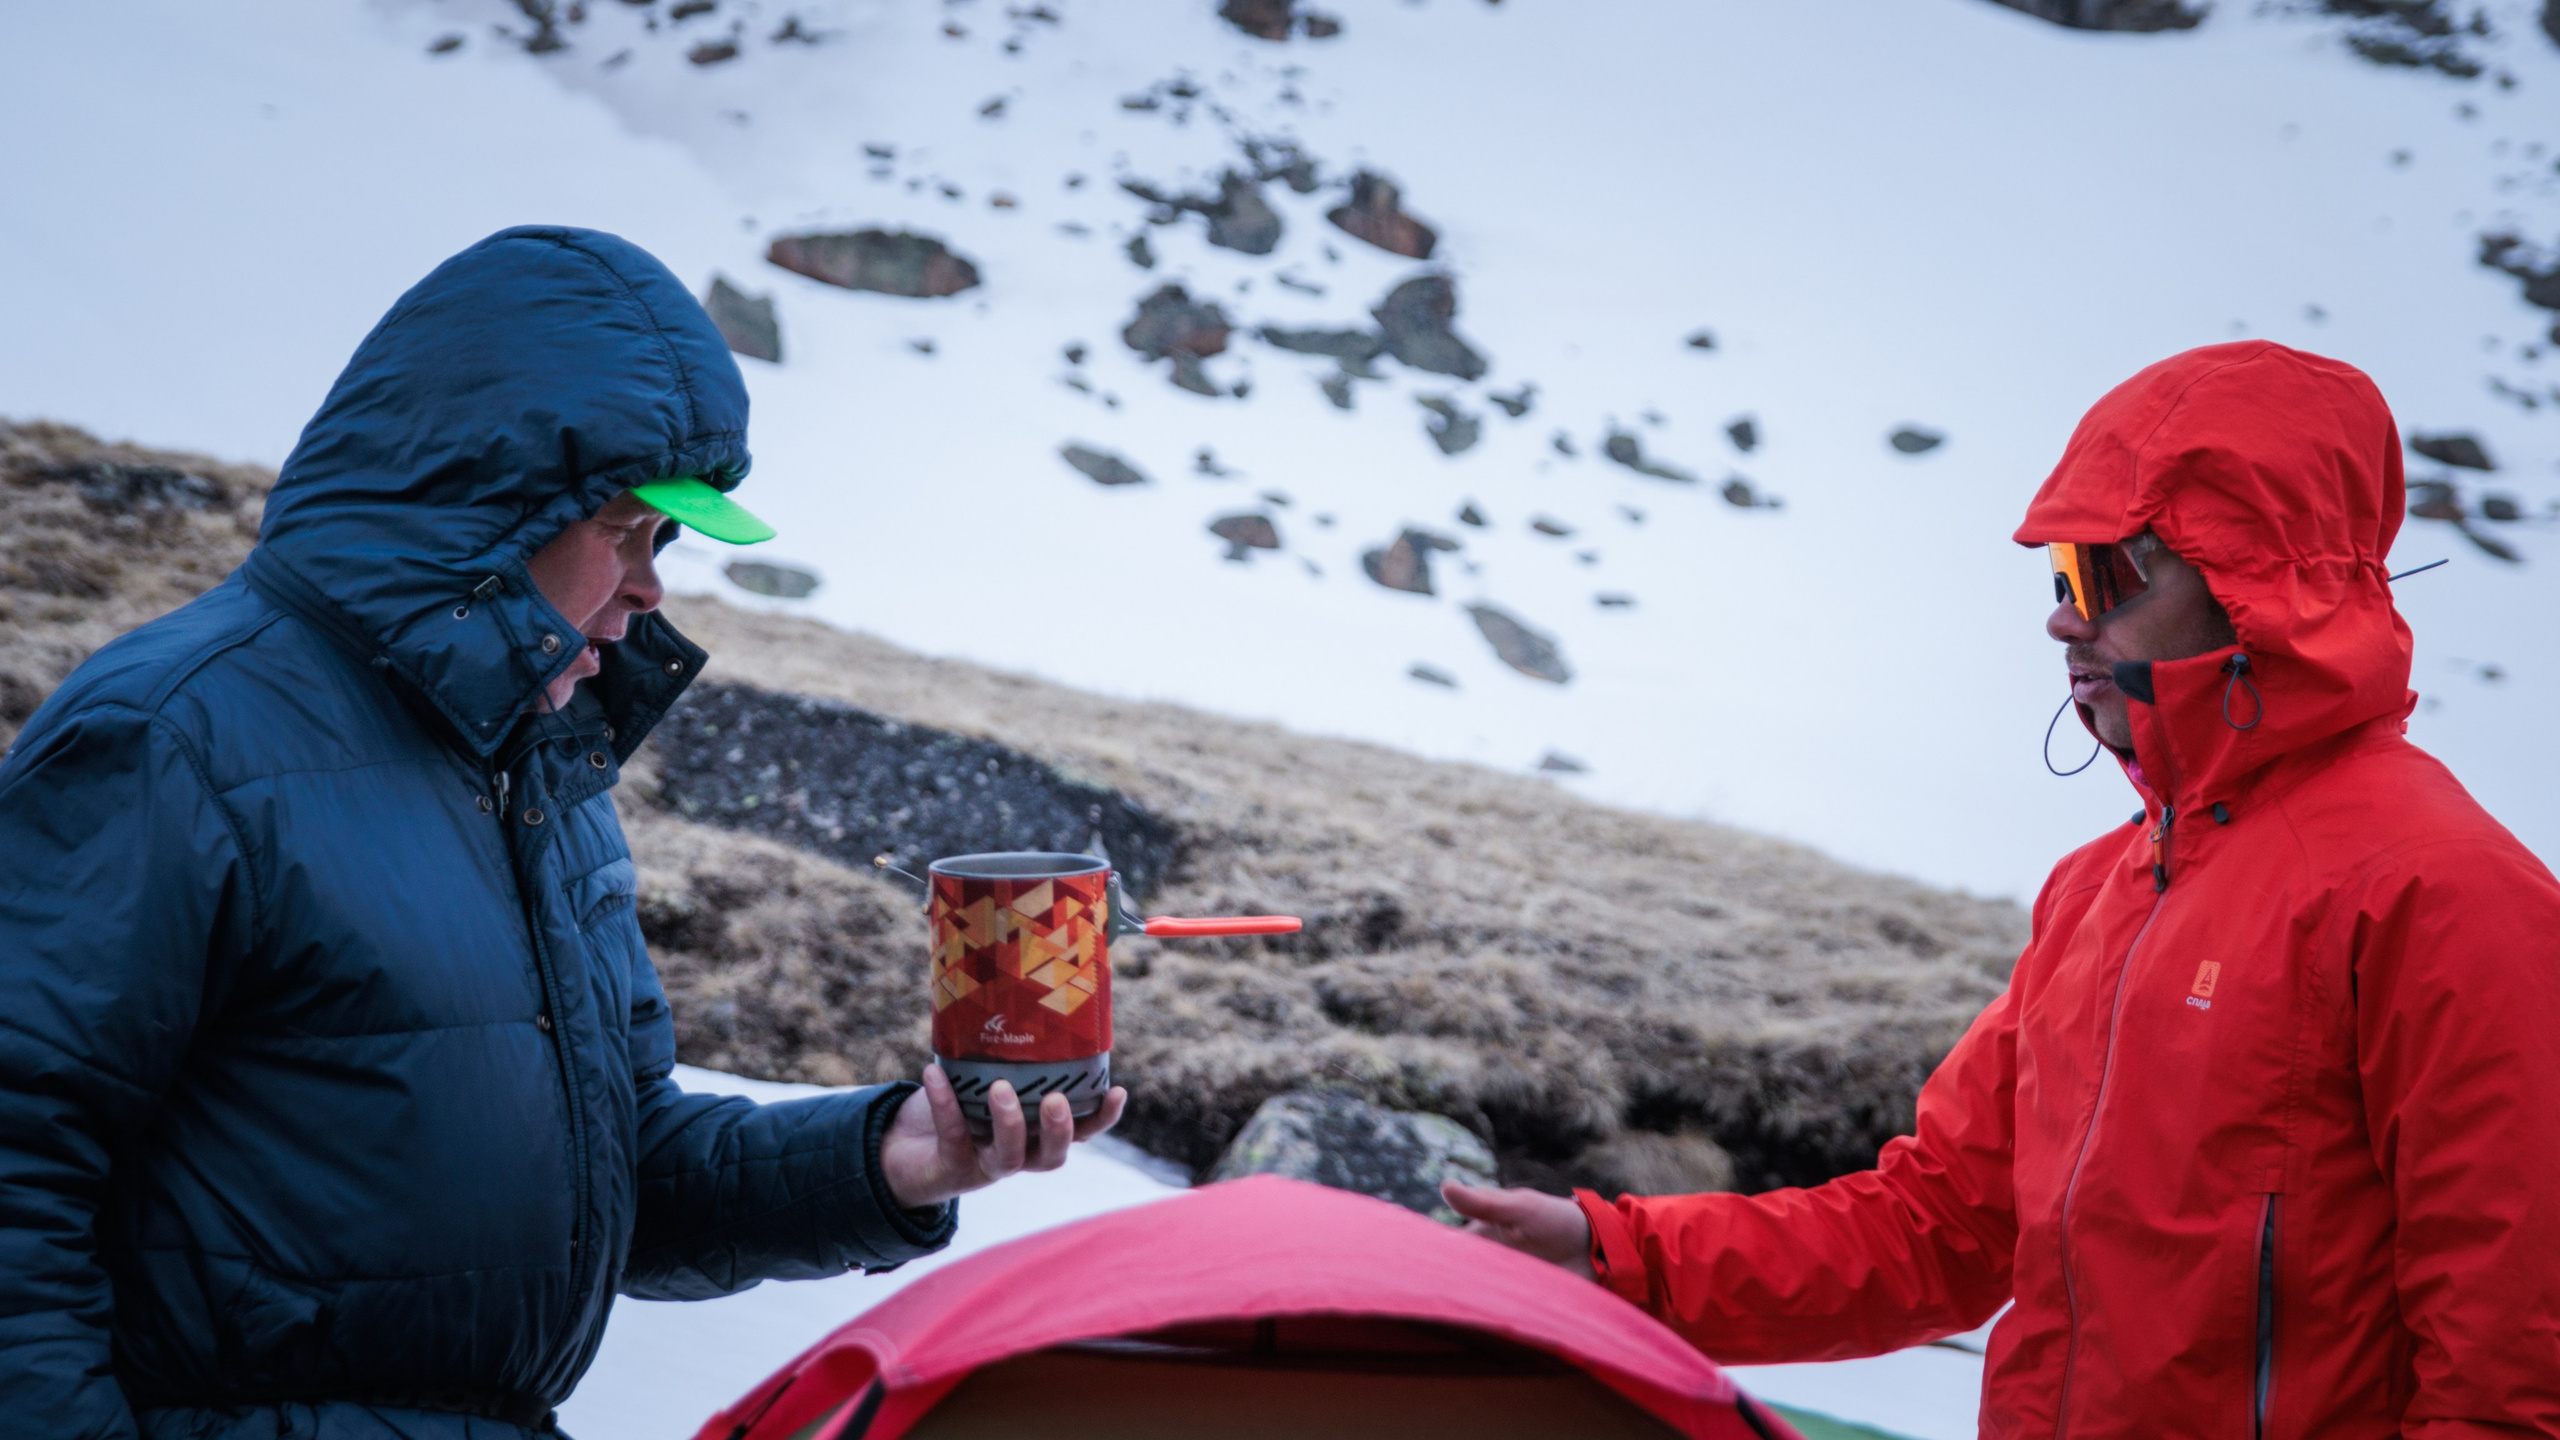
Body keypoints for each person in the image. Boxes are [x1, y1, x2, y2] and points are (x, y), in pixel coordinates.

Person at [0, 225, 1122, 1438]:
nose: (650, 591)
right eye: (626, 531)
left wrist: (889, 1157)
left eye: (666, 544)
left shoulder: (536, 773)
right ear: (484, 514)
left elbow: (612, 1171)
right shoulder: (174, 738)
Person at [1448, 341, 2560, 1434]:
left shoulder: (2442, 892)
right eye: (2061, 575)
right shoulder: (2100, 894)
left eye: (2111, 572)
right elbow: (1939, 1227)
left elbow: (2514, 1376)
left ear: (2259, 586)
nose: (2064, 618)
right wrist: (1614, 1254)